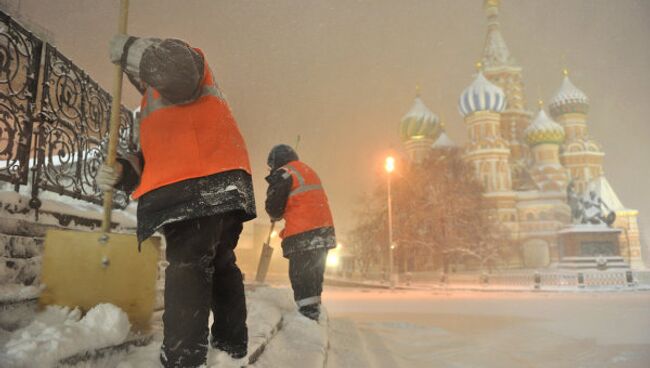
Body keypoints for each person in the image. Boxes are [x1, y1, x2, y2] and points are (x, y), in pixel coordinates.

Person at [97, 35, 256, 367]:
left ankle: (183, 359)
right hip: (222, 179)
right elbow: (145, 160)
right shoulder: (149, 106)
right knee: (220, 263)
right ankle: (230, 345)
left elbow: (176, 74)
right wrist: (120, 171)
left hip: (197, 180)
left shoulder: (186, 59)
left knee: (188, 266)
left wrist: (131, 50)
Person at [264, 144, 336, 321]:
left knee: (301, 277)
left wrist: (274, 211)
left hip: (303, 233)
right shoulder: (307, 171)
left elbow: (274, 208)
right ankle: (313, 313)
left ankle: (307, 320)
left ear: (275, 162)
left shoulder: (284, 173)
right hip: (324, 232)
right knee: (314, 277)